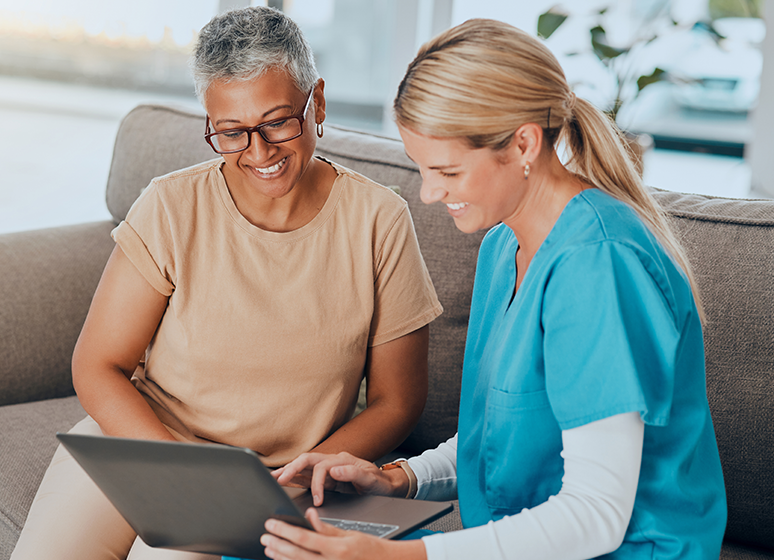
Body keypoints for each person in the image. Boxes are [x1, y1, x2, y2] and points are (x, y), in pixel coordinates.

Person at [262, 18, 727, 560]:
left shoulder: (600, 266)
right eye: (421, 169)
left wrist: (396, 557)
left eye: (448, 172)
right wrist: (399, 479)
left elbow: (596, 515)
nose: (430, 193)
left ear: (524, 144)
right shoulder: (503, 246)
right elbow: (503, 434)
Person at [10, 7, 442, 560]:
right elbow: (98, 365)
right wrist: (179, 474)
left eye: (279, 122)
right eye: (232, 133)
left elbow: (397, 401)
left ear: (319, 104)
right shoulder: (171, 205)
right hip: (144, 445)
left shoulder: (380, 220)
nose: (260, 154)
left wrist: (298, 476)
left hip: (279, 478)